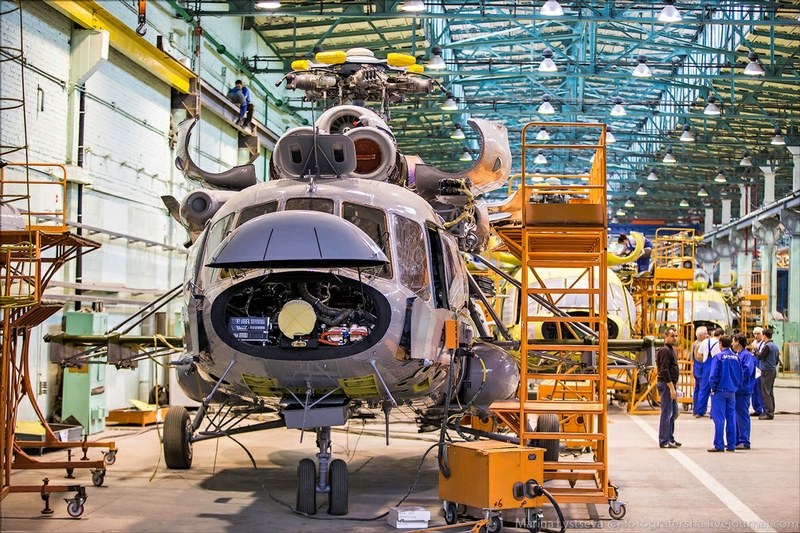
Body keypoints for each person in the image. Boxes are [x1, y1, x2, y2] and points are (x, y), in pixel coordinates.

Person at [708, 335, 741, 452]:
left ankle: (719, 445)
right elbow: (740, 374)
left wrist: (713, 387)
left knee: (719, 418)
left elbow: (713, 375)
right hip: (731, 391)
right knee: (731, 418)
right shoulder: (736, 358)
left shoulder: (718, 357)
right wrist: (735, 387)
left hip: (720, 390)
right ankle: (731, 444)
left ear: (720, 344)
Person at [656, 327, 681, 449]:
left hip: (671, 384)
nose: (675, 338)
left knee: (674, 412)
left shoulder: (671, 349)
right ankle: (664, 440)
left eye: (676, 336)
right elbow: (664, 370)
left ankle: (670, 438)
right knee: (667, 413)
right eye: (672, 336)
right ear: (666, 336)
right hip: (666, 384)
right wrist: (671, 387)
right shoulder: (665, 350)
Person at [732, 334, 756, 450]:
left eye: (733, 341)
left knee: (742, 415)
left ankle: (744, 440)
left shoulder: (747, 356)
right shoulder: (737, 355)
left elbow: (746, 371)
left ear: (737, 342)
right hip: (737, 389)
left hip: (743, 389)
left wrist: (735, 377)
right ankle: (736, 439)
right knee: (736, 416)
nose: (732, 344)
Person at [694, 327, 723, 417]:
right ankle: (714, 412)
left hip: (706, 367)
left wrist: (705, 360)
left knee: (703, 389)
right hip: (716, 366)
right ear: (721, 335)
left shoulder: (705, 342)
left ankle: (699, 411)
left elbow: (699, 355)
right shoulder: (719, 343)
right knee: (716, 390)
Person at [755, 328, 779, 420]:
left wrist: (755, 350)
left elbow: (760, 356)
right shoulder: (775, 346)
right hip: (772, 370)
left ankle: (769, 413)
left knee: (765, 392)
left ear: (764, 336)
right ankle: (771, 410)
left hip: (766, 370)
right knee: (770, 391)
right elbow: (776, 360)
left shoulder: (767, 346)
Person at [691, 326, 709, 417]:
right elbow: (700, 358)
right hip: (702, 369)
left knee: (697, 390)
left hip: (696, 369)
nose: (707, 335)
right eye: (705, 333)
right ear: (701, 335)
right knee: (703, 390)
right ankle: (700, 411)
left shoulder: (694, 344)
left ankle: (696, 409)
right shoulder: (701, 345)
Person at [750, 327, 765, 416]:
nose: (756, 336)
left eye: (758, 334)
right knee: (754, 388)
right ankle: (757, 408)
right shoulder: (754, 343)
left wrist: (756, 349)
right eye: (754, 334)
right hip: (754, 367)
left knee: (760, 389)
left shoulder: (764, 344)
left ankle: (763, 409)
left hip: (760, 367)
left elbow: (761, 355)